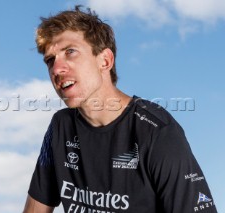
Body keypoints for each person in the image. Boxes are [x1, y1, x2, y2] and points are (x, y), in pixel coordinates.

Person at [23, 5, 217, 213]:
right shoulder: (60, 126)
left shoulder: (157, 131)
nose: (57, 69)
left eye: (70, 52)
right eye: (50, 60)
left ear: (105, 61)